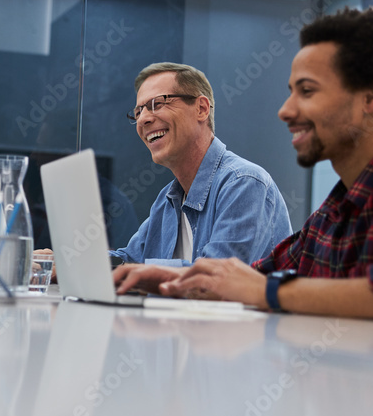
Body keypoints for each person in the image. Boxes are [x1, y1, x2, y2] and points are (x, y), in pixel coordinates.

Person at [117, 8, 373, 329]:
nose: (286, 110)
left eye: (308, 91)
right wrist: (167, 276)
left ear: (372, 97)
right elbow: (249, 276)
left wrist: (271, 292)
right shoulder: (331, 215)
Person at [111, 63, 292, 270]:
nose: (143, 119)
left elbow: (214, 279)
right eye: (138, 112)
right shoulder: (167, 200)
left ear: (202, 109)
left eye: (157, 104)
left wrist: (142, 272)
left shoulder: (244, 183)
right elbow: (129, 260)